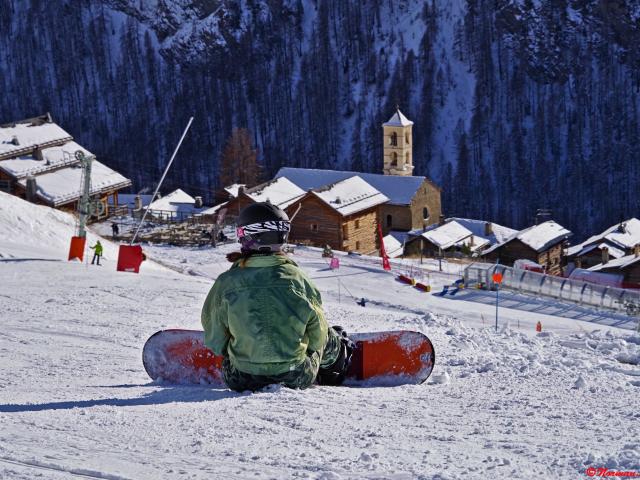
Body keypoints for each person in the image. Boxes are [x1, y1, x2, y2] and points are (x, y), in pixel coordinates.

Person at [201, 202, 354, 391]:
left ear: (244, 235)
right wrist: (307, 351)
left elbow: (214, 339)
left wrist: (237, 351)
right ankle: (338, 362)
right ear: (283, 235)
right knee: (328, 333)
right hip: (295, 376)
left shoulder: (226, 283)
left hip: (241, 378)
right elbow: (318, 335)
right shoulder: (298, 279)